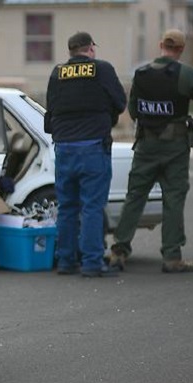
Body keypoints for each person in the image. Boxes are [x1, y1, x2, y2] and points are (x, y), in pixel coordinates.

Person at [108, 29, 193, 274]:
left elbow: (133, 110)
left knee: (135, 197)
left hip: (146, 145)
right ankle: (171, 256)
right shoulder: (186, 74)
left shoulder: (141, 74)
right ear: (181, 49)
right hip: (175, 148)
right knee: (173, 198)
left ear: (160, 45)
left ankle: (118, 252)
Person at [45, 32, 127, 277]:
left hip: (64, 149)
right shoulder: (102, 70)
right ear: (90, 48)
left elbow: (51, 109)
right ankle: (92, 263)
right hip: (93, 147)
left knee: (68, 207)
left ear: (71, 50)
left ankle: (66, 261)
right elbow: (120, 103)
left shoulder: (57, 73)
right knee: (92, 206)